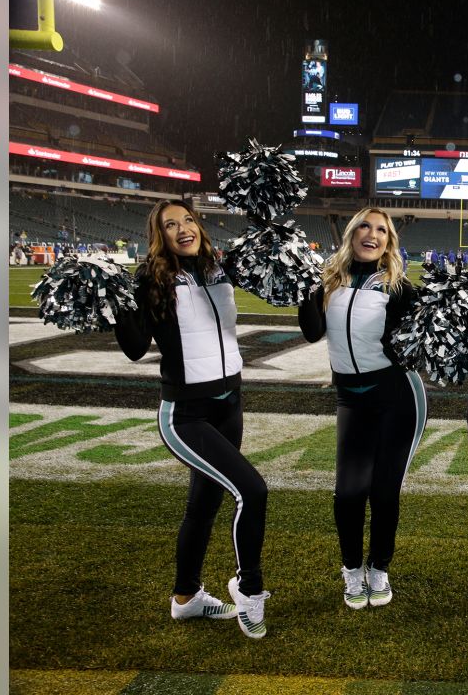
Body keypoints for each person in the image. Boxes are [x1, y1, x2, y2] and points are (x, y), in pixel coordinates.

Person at [113, 199, 271, 639]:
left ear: (199, 225)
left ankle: (185, 598)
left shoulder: (218, 267)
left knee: (203, 506)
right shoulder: (150, 278)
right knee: (252, 491)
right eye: (170, 225)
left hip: (229, 405)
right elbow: (133, 347)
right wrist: (119, 303)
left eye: (187, 219)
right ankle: (249, 588)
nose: (182, 228)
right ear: (159, 235)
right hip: (185, 415)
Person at [298, 208, 427, 609]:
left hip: (397, 397)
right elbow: (311, 331)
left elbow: (413, 348)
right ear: (351, 234)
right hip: (351, 398)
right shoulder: (328, 282)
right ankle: (352, 568)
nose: (372, 235)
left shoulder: (400, 288)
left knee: (384, 493)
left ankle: (379, 568)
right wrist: (306, 290)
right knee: (349, 492)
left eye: (382, 231)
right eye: (365, 227)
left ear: (389, 242)